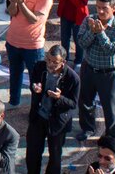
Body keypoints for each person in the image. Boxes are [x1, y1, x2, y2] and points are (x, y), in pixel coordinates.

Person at [76, 0, 115, 142]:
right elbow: (82, 43)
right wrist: (92, 31)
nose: (100, 11)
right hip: (89, 68)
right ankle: (87, 128)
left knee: (110, 106)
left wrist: (100, 33)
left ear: (113, 8)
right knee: (85, 102)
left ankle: (112, 136)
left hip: (108, 72)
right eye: (98, 7)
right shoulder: (89, 20)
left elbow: (111, 50)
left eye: (104, 8)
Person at [25, 46, 79, 174]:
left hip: (57, 122)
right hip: (38, 117)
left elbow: (73, 104)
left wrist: (59, 98)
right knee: (32, 152)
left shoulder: (72, 78)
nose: (50, 64)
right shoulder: (39, 67)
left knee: (55, 156)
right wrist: (35, 88)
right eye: (48, 60)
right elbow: (33, 83)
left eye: (55, 62)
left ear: (63, 62)